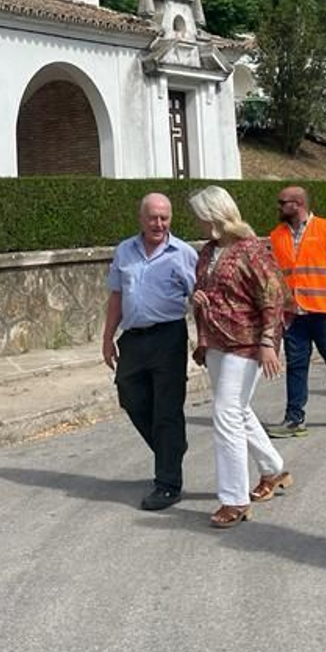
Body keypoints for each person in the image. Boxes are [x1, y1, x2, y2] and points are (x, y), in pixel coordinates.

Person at [188, 186, 294, 528]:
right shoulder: (207, 252)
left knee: (226, 414)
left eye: (201, 216)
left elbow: (273, 295)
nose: (198, 223)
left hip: (247, 343)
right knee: (237, 409)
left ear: (215, 216)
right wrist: (200, 297)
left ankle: (234, 499)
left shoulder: (250, 249)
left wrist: (267, 342)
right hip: (217, 340)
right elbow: (210, 289)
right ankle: (274, 470)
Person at [103, 192, 199, 509]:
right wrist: (107, 337)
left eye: (165, 217)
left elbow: (199, 299)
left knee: (167, 411)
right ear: (141, 218)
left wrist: (205, 340)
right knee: (129, 395)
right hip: (133, 338)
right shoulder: (124, 251)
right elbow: (116, 296)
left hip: (169, 337)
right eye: (153, 217)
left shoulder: (183, 253)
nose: (159, 223)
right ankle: (172, 448)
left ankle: (168, 483)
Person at [266, 185, 326, 438]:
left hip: (325, 311)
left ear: (296, 204)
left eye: (282, 202)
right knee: (296, 365)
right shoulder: (277, 236)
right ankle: (294, 418)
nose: (278, 207)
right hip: (294, 313)